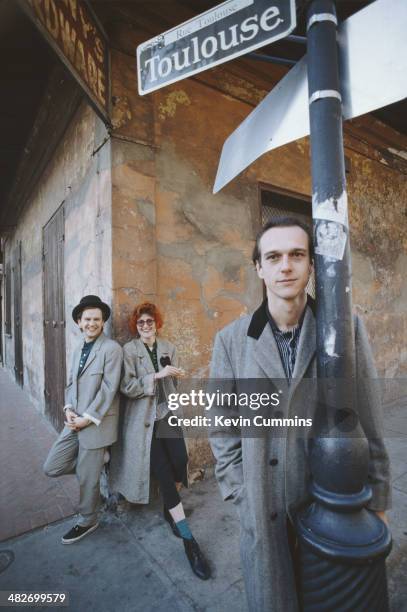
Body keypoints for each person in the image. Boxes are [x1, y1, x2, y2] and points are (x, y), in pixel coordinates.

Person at [209, 218, 391, 611]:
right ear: (259, 267)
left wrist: (377, 500)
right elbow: (221, 423)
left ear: (311, 265)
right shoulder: (230, 341)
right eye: (273, 257)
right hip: (262, 503)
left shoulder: (345, 329)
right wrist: (240, 491)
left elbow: (370, 419)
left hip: (329, 501)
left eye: (297, 255)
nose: (286, 266)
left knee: (332, 599)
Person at [110, 302, 211, 580]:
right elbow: (127, 387)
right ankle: (188, 538)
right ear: (136, 326)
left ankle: (170, 504)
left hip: (168, 415)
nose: (145, 326)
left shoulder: (168, 346)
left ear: (157, 324)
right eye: (141, 322)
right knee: (164, 473)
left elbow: (173, 383)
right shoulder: (128, 351)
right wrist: (156, 375)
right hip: (143, 422)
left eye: (149, 322)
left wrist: (173, 375)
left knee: (180, 460)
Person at [43, 295, 123, 544]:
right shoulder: (78, 347)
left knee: (88, 480)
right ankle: (98, 463)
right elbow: (71, 383)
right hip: (74, 420)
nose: (92, 323)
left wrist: (87, 419)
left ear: (103, 322)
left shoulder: (112, 349)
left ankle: (88, 520)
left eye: (97, 319)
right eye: (87, 319)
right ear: (79, 321)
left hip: (95, 424)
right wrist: (68, 408)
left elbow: (109, 389)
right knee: (52, 466)